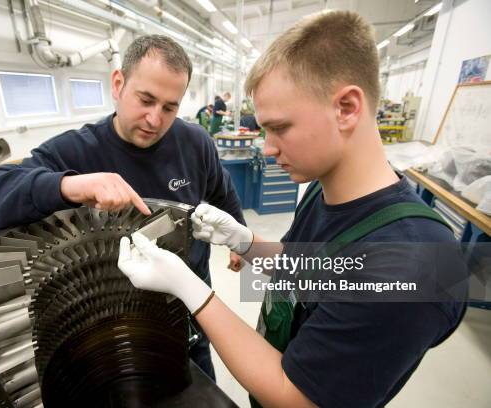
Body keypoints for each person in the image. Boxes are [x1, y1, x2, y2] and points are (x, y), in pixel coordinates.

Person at [117, 11, 467, 408]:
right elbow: (317, 271)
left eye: (280, 128)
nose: (267, 147)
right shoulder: (324, 192)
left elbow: (297, 396)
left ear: (347, 108)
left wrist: (190, 289)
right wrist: (246, 242)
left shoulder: (412, 263)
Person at [0, 34, 247, 381]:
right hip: (117, 322)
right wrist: (67, 185)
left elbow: (221, 192)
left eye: (170, 107)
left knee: (201, 391)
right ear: (118, 83)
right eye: (146, 100)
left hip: (190, 310)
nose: (155, 119)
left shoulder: (195, 142)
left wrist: (240, 240)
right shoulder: (75, 152)